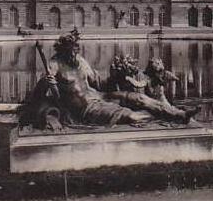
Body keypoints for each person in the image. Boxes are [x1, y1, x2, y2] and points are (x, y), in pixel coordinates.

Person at [25, 35, 196, 130]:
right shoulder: (54, 65)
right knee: (130, 115)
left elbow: (99, 85)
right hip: (86, 109)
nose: (74, 55)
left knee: (138, 98)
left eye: (76, 51)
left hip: (100, 96)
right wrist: (45, 83)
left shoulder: (81, 61)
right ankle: (163, 115)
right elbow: (38, 95)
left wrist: (115, 76)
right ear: (62, 51)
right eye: (71, 52)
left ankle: (177, 114)